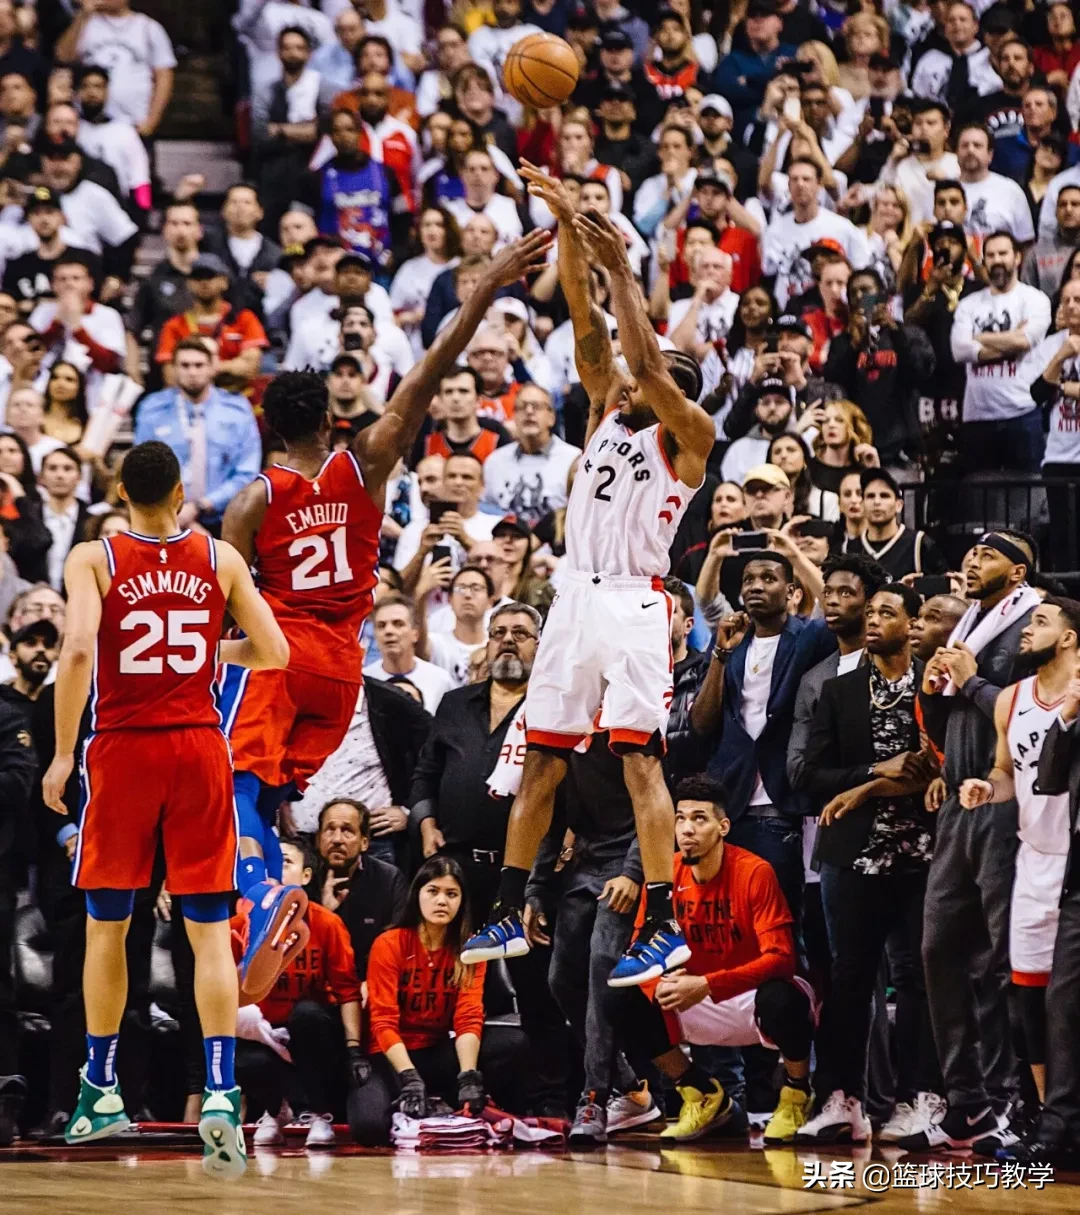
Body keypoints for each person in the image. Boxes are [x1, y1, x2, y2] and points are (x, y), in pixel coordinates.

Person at [218, 232, 551, 1001]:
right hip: (343, 669)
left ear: (270, 430)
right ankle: (267, 895)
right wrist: (487, 285)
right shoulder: (364, 461)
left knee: (242, 788)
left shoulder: (251, 501)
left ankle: (262, 897)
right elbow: (431, 370)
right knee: (275, 801)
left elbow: (226, 611)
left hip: (278, 655)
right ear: (329, 424)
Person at [461, 169, 714, 986]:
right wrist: (568, 223)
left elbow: (638, 346)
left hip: (635, 602)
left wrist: (628, 275)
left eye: (657, 373)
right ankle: (503, 904)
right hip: (574, 593)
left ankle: (665, 919)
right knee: (543, 757)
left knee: (639, 761)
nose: (636, 375)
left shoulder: (690, 433)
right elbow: (582, 314)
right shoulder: (609, 402)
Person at [40, 441, 289, 1176]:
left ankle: (101, 1086)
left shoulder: (95, 555)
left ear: (120, 492)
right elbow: (272, 649)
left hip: (123, 748)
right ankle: (219, 1091)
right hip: (199, 749)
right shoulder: (218, 557)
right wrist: (214, 652)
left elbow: (80, 647)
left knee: (108, 927)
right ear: (182, 493)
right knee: (209, 933)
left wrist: (61, 753)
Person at [796, 583, 939, 1144]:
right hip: (852, 855)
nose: (874, 619)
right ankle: (842, 1099)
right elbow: (807, 776)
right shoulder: (838, 690)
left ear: (913, 623)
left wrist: (867, 787)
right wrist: (881, 769)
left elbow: (936, 766)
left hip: (923, 851)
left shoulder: (936, 683)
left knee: (915, 978)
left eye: (888, 611)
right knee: (850, 978)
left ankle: (918, 1098)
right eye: (871, 611)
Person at [912, 531, 1041, 1150]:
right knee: (937, 947)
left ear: (1019, 572)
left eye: (988, 555)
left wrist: (967, 681)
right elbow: (950, 719)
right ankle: (965, 1101)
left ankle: (1011, 1099)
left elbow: (1029, 717)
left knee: (995, 959)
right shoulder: (970, 625)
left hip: (1005, 805)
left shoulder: (1034, 626)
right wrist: (940, 685)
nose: (972, 559)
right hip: (957, 803)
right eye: (970, 552)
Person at [605, 776, 816, 1144]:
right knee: (620, 999)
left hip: (750, 996)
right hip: (695, 998)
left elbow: (782, 959)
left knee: (786, 998)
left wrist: (708, 984)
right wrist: (661, 985)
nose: (687, 829)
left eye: (699, 819)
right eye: (680, 818)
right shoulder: (664, 876)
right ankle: (701, 1093)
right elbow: (638, 953)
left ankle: (796, 1092)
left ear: (723, 827)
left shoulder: (755, 872)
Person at [958, 598, 1080, 1107]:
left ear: (1070, 638)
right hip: (1033, 858)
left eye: (1040, 621)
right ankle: (1048, 1115)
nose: (1027, 630)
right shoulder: (1012, 698)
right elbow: (1008, 772)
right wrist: (987, 789)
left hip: (1075, 862)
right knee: (1028, 997)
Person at [690, 551, 833, 929]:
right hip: (730, 799)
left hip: (781, 798)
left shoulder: (809, 636)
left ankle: (788, 988)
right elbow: (702, 723)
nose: (755, 586)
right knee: (732, 920)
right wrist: (721, 653)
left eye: (768, 578)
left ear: (790, 591)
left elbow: (833, 606)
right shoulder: (731, 641)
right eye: (749, 580)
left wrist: (791, 550)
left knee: (780, 921)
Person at [350, 855, 528, 1144]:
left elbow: (468, 1017)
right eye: (433, 891)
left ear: (461, 902)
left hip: (436, 1051)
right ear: (417, 896)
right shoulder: (389, 943)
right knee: (367, 1129)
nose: (442, 901)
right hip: (390, 1056)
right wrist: (409, 1076)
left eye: (451, 894)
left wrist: (468, 1076)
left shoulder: (470, 949)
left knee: (513, 1043)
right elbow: (382, 1022)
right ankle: (417, 1099)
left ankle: (461, 1099)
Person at [238, 837, 363, 1150]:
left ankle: (321, 1114)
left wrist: (354, 1049)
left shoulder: (327, 923)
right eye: (269, 863)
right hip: (264, 1033)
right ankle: (275, 1110)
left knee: (308, 1015)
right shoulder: (243, 919)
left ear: (306, 877)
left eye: (285, 862)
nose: (275, 870)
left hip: (313, 1035)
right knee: (237, 1051)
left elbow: (348, 992)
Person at [134, 338, 262, 532]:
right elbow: (142, 468)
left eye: (199, 365)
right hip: (168, 518)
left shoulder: (237, 410)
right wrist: (177, 512)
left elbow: (247, 472)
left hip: (226, 517)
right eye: (185, 365)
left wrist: (202, 506)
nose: (192, 372)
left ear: (212, 367)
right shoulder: (152, 409)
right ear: (175, 369)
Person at [951, 230, 1051, 473]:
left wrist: (980, 338)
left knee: (1029, 494)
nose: (997, 260)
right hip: (977, 417)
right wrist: (1009, 343)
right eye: (991, 255)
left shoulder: (1035, 300)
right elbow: (959, 350)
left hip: (1023, 412)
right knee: (981, 499)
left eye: (1003, 253)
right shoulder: (969, 304)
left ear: (1017, 258)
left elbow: (1024, 341)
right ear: (983, 261)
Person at [760, 159, 871, 309]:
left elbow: (864, 275)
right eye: (794, 179)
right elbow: (769, 274)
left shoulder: (843, 228)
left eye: (806, 179)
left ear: (819, 184)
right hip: (788, 313)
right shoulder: (774, 230)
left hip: (830, 311)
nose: (800, 184)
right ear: (788, 186)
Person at [316, 799, 408, 976]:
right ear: (318, 839)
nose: (337, 839)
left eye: (347, 831)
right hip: (319, 980)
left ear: (364, 842)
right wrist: (325, 914)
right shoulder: (304, 878)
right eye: (329, 830)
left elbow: (397, 946)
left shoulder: (389, 878)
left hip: (372, 978)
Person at [55, 0, 175, 135]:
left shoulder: (149, 28)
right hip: (88, 125)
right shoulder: (86, 24)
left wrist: (151, 122)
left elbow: (164, 78)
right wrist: (83, 15)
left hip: (134, 125)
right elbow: (63, 56)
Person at [155, 255, 269, 396]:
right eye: (197, 277)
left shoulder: (244, 319)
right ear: (188, 283)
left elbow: (250, 369)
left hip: (237, 397)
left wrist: (204, 369)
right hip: (191, 400)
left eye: (210, 276)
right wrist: (228, 368)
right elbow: (171, 377)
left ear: (224, 282)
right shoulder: (174, 326)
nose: (204, 282)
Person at [481, 383, 581, 524]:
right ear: (514, 416)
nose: (529, 411)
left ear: (552, 417)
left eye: (537, 406)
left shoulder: (574, 460)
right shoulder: (495, 461)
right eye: (522, 407)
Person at [848, 468, 946, 580]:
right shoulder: (850, 548)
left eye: (884, 496)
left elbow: (942, 591)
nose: (877, 502)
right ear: (862, 504)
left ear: (899, 505)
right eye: (870, 496)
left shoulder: (919, 544)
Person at [363, 593, 453, 712]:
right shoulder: (363, 681)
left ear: (415, 633)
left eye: (398, 624)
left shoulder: (440, 680)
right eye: (381, 626)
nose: (388, 631)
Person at [38, 447, 91, 593]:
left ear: (79, 476)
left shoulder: (92, 521)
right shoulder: (28, 519)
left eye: (67, 469)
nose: (60, 475)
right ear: (41, 477)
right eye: (52, 468)